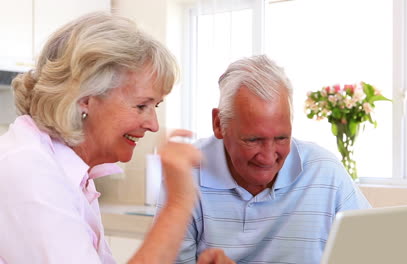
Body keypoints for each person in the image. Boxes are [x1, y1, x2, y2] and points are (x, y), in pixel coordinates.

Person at [0, 12, 233, 264]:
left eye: (156, 106)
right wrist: (178, 202)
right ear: (84, 98)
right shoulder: (27, 169)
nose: (153, 125)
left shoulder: (70, 172)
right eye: (142, 105)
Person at [160, 55, 371, 264]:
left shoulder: (325, 171)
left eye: (281, 138)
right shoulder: (186, 174)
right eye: (253, 140)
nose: (268, 157)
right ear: (218, 124)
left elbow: (373, 251)